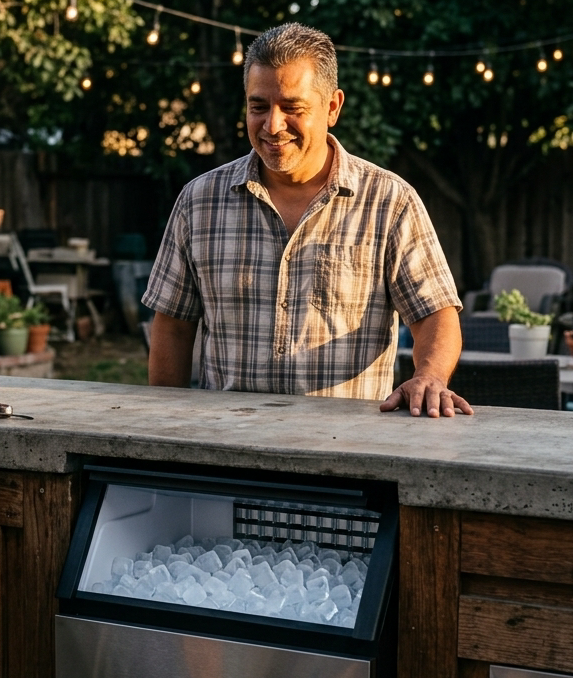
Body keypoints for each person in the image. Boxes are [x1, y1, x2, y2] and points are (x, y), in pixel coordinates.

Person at [143, 22, 473, 418]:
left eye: (292, 108)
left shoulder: (390, 201)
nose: (272, 126)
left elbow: (436, 314)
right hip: (226, 446)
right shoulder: (199, 202)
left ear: (332, 107)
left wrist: (430, 376)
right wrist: (164, 424)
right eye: (258, 106)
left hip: (348, 450)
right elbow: (174, 326)